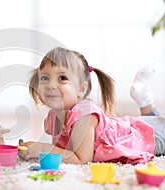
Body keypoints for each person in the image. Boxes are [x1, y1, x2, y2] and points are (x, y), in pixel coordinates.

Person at [18, 47, 165, 165]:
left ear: (81, 90)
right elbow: (62, 152)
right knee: (155, 121)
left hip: (149, 137)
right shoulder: (53, 116)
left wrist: (43, 148)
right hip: (136, 126)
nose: (50, 85)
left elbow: (81, 159)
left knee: (160, 125)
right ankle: (146, 102)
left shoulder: (84, 115)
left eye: (62, 78)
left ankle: (146, 102)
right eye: (44, 78)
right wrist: (32, 150)